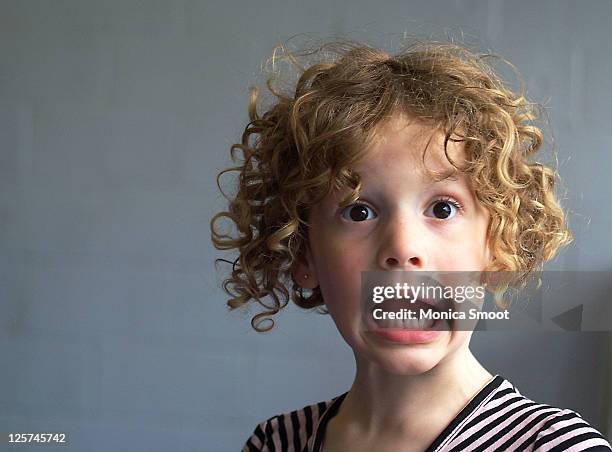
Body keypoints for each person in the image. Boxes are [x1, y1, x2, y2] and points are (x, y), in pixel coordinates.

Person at [210, 37, 611, 451]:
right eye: (358, 211)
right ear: (303, 253)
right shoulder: (275, 443)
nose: (402, 246)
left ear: (496, 245)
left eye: (441, 209)